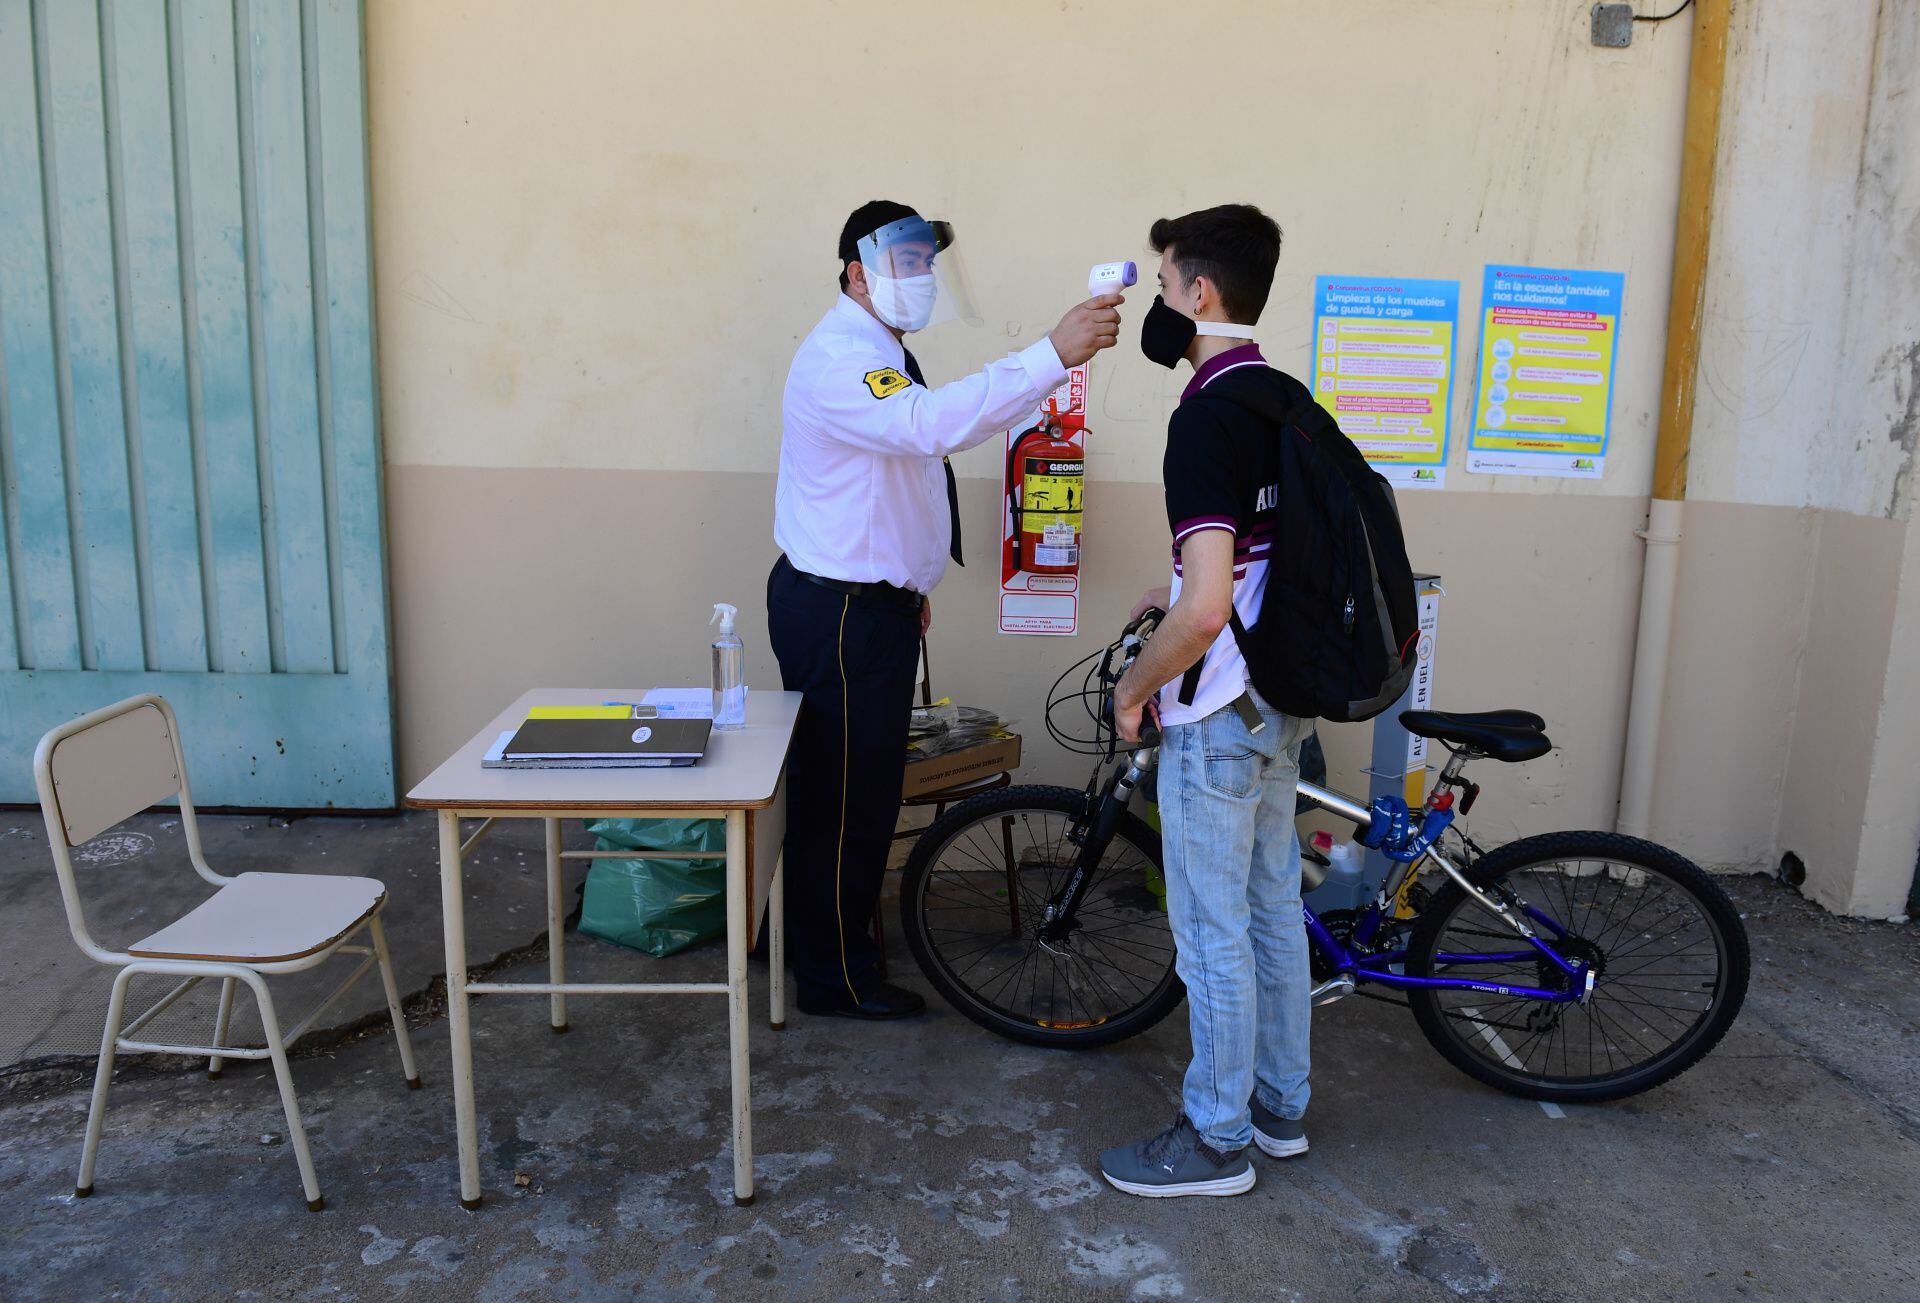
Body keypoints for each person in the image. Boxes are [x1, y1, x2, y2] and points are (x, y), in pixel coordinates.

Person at [769, 200, 1124, 1020]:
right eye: (907, 264)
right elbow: (930, 428)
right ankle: (835, 979)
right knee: (850, 804)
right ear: (857, 274)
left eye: (929, 263)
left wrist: (911, 582)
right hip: (845, 612)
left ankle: (809, 943)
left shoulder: (881, 351)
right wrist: (1049, 355)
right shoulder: (843, 359)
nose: (923, 278)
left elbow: (909, 463)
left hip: (868, 604)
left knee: (847, 792)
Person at [1096, 204, 1308, 1196]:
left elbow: (1211, 607)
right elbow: (1249, 569)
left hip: (1219, 718)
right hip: (1280, 709)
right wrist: (1173, 589)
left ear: (1200, 294)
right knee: (1270, 910)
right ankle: (1277, 1108)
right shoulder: (1282, 400)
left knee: (1212, 929)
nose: (1159, 300)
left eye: (1165, 281)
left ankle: (1216, 1141)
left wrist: (1137, 690)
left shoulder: (1205, 416)